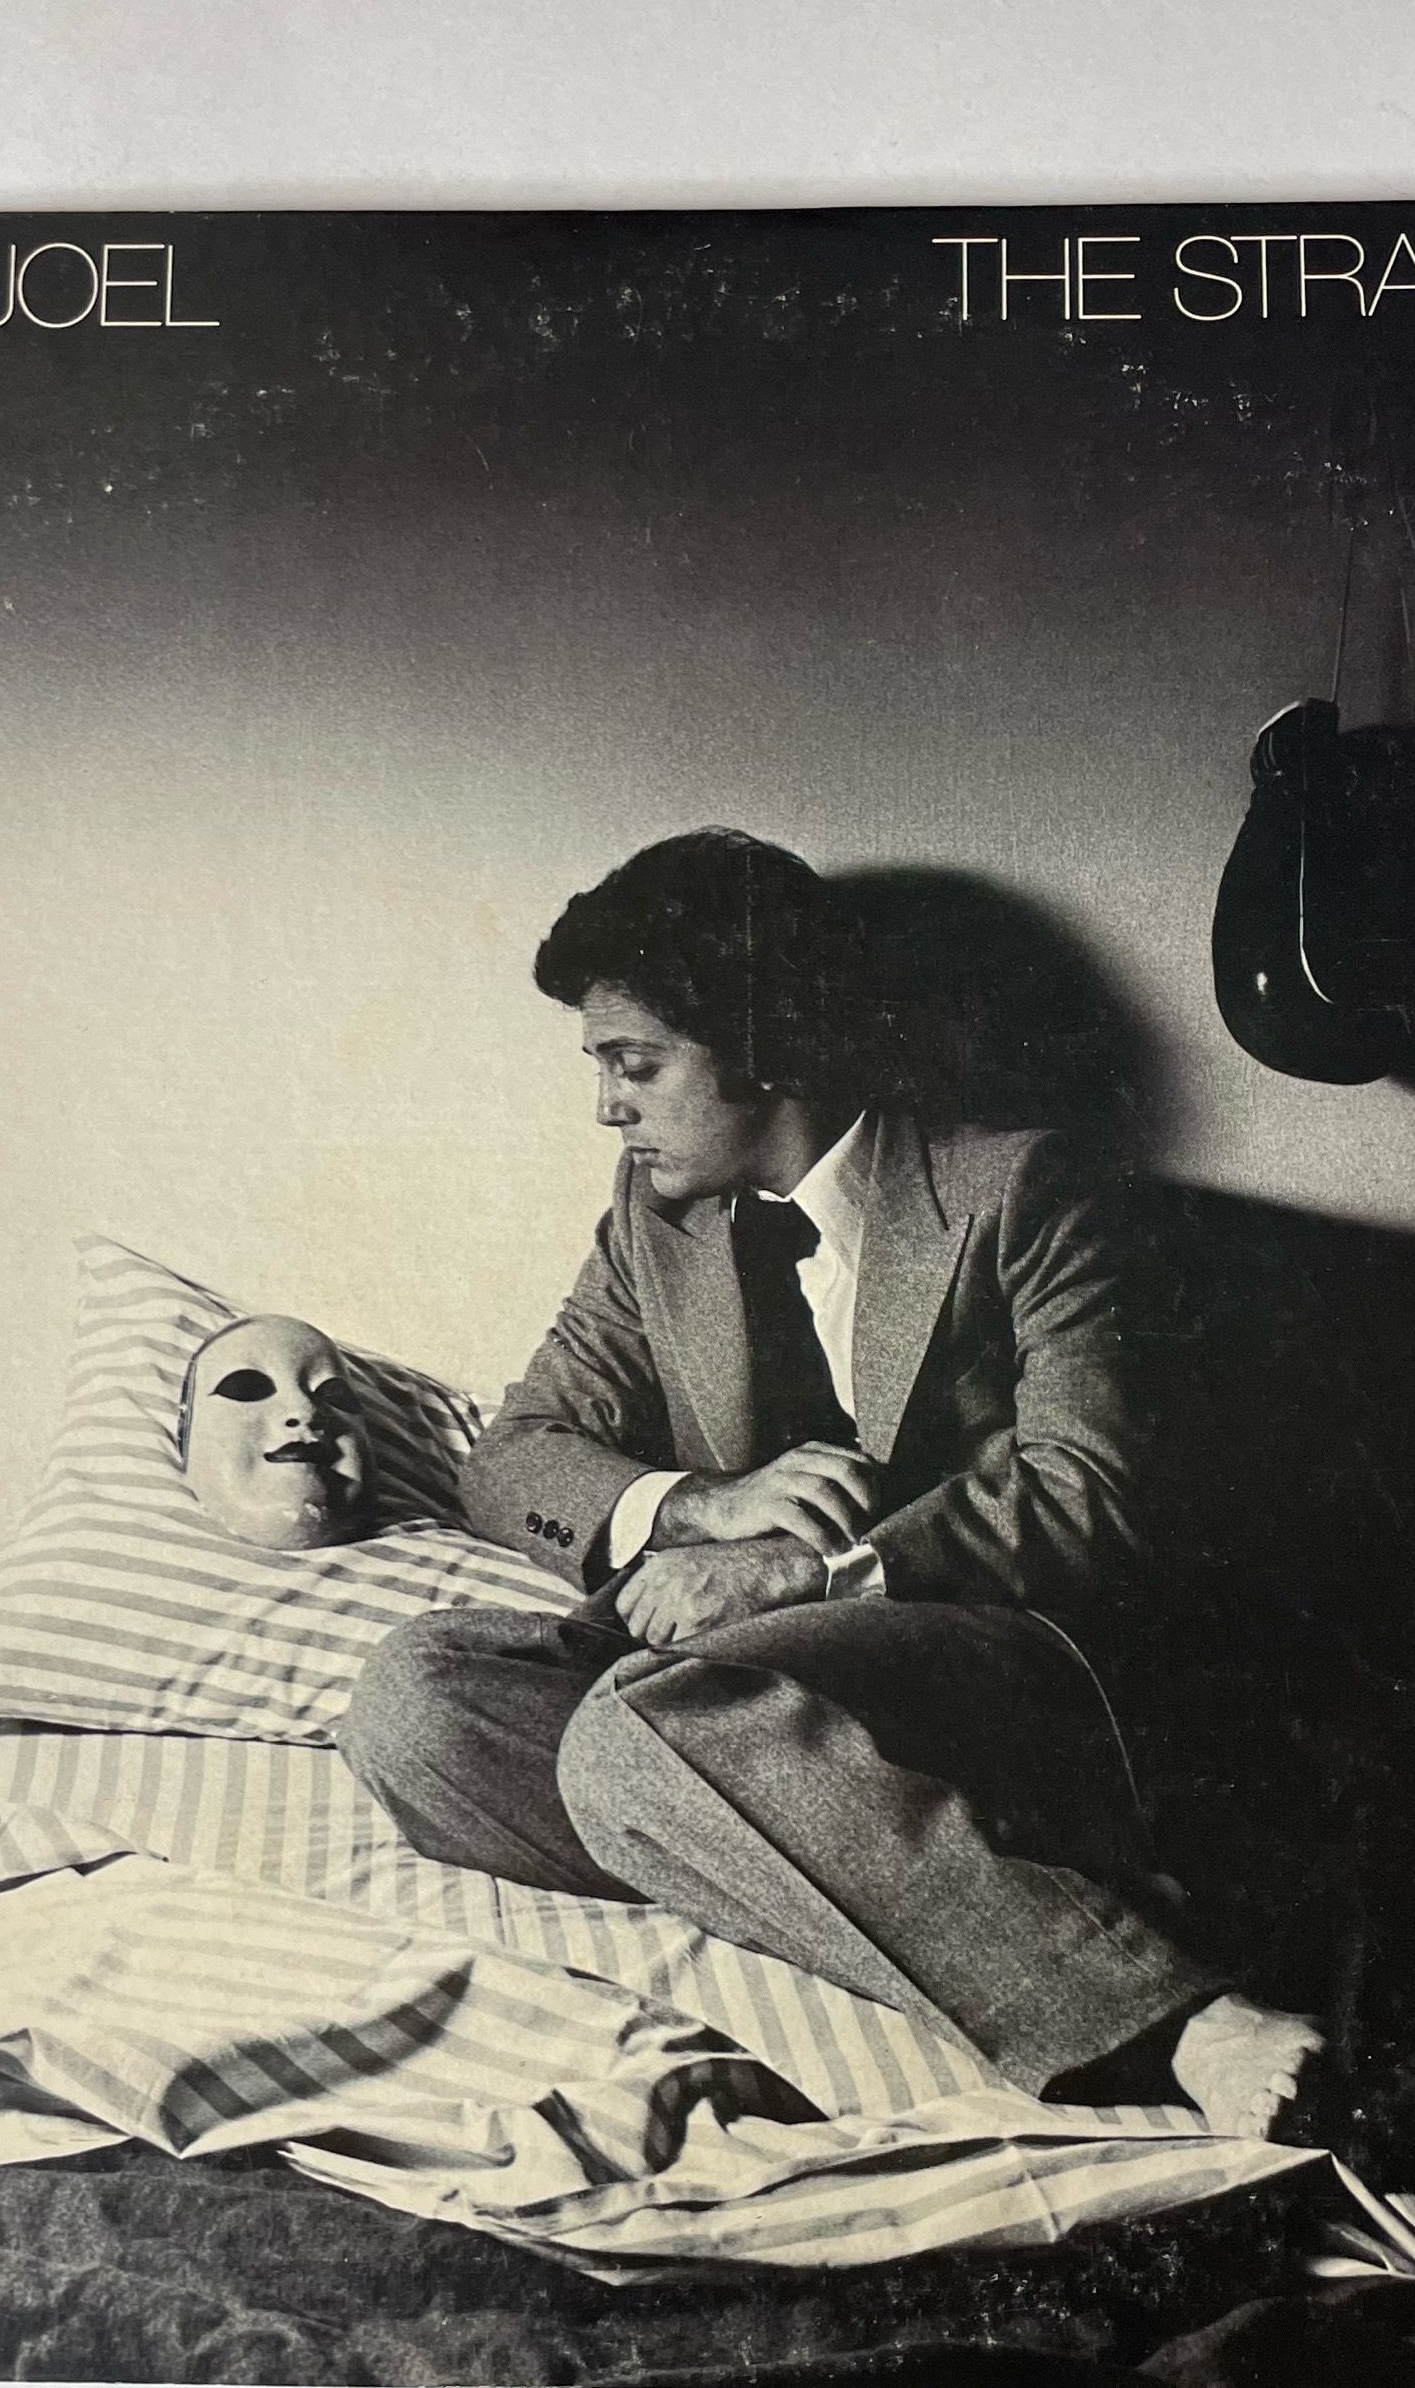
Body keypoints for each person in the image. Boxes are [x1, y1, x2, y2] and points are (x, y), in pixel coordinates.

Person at [338, 829, 1321, 2133]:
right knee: (418, 1701)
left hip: (999, 1661)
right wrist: (698, 1508)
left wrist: (807, 1567)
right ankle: (858, 1883)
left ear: (765, 1046)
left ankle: (1180, 2020)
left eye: (636, 1065)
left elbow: (1090, 1494)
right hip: (732, 1691)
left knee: (639, 1735)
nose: (607, 1110)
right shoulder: (655, 1220)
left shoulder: (1025, 1189)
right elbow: (513, 1457)